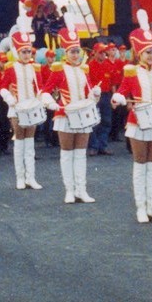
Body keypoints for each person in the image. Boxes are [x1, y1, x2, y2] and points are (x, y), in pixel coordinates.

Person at [112, 10, 152, 222]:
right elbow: (121, 92)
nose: (151, 55)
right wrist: (119, 98)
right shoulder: (131, 71)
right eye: (147, 51)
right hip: (138, 122)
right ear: (139, 52)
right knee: (140, 164)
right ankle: (141, 208)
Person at [40, 13, 99, 203]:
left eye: (77, 51)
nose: (75, 54)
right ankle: (69, 190)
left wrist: (95, 95)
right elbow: (45, 91)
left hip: (82, 115)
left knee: (80, 154)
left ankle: (81, 190)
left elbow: (88, 93)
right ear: (65, 52)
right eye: (72, 51)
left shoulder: (84, 69)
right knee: (67, 153)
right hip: (64, 115)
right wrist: (52, 104)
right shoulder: (58, 69)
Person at [0, 17, 46, 190]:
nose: (27, 55)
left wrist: (41, 99)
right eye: (24, 52)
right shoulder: (11, 67)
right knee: (19, 142)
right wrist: (10, 99)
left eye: (29, 52)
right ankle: (20, 177)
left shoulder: (36, 68)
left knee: (30, 143)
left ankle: (31, 177)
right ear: (17, 51)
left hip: (31, 108)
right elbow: (2, 88)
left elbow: (40, 87)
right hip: (17, 109)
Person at [85, 43, 115, 156]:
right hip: (94, 97)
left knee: (106, 121)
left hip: (106, 95)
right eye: (101, 52)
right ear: (95, 53)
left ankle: (103, 145)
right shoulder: (89, 66)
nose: (103, 55)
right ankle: (93, 146)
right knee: (94, 121)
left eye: (104, 53)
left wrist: (114, 97)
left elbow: (112, 82)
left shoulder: (108, 65)